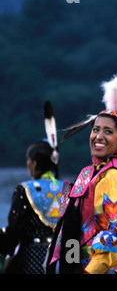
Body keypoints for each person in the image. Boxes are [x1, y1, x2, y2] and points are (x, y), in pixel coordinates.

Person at [46, 74, 117, 274]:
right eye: (95, 130)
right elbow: (71, 226)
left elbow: (114, 241)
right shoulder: (88, 173)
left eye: (108, 132)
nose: (98, 137)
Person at [0, 101, 65, 274]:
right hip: (62, 260)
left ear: (34, 163)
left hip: (32, 260)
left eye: (29, 160)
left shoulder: (25, 190)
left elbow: (14, 233)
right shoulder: (69, 189)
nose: (28, 164)